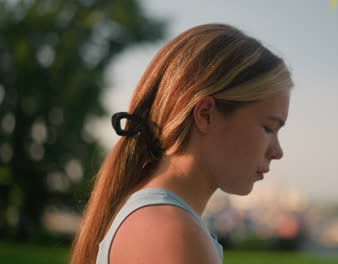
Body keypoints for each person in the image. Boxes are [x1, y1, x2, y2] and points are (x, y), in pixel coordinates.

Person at [70, 23, 293, 264]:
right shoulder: (172, 233)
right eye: (268, 128)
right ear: (206, 114)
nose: (277, 152)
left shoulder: (162, 223)